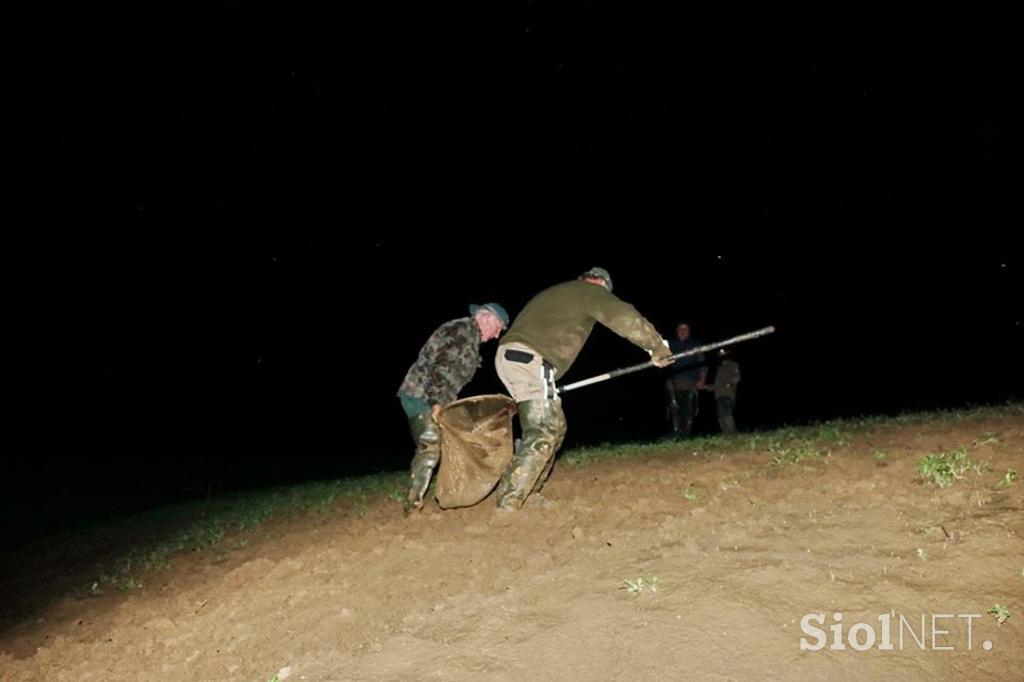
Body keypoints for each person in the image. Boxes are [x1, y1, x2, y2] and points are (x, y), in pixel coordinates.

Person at [493, 267, 673, 510]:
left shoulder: (563, 292)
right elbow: (623, 316)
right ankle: (509, 503)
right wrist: (656, 347)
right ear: (600, 283)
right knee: (543, 430)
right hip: (530, 358)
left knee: (555, 426)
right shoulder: (589, 291)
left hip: (513, 357)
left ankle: (526, 491)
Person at [396, 302, 509, 513]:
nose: (496, 336)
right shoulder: (462, 330)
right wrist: (436, 402)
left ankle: (456, 491)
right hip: (421, 395)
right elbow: (440, 366)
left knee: (462, 438)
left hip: (437, 397)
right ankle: (412, 508)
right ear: (487, 318)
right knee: (430, 445)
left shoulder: (471, 340)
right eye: (499, 328)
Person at [665, 321, 706, 439]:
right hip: (673, 380)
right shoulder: (670, 345)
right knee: (674, 407)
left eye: (686, 329)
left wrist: (702, 380)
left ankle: (686, 435)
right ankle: (675, 433)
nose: (683, 332)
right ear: (676, 331)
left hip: (690, 380)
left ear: (689, 332)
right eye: (680, 329)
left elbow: (703, 363)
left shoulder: (695, 344)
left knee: (688, 410)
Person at [711, 347, 741, 434]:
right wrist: (707, 387)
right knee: (721, 416)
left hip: (728, 394)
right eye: (720, 355)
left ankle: (734, 433)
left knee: (726, 414)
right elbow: (717, 385)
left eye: (723, 354)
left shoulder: (733, 364)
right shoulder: (719, 368)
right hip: (719, 395)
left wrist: (731, 383)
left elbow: (737, 376)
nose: (721, 356)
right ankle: (726, 434)